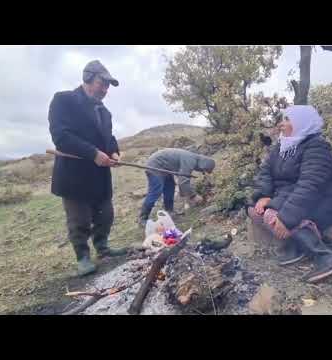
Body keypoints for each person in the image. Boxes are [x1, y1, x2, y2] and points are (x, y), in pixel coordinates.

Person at [248, 105, 332, 283]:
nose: (281, 124)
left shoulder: (315, 146)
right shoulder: (282, 146)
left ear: (302, 123)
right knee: (255, 208)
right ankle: (295, 247)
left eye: (287, 120)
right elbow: (265, 172)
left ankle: (325, 256)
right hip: (291, 196)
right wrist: (264, 195)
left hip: (323, 200)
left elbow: (311, 184)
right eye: (282, 120)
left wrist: (287, 217)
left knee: (274, 213)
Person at [48, 60, 127, 277]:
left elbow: (108, 138)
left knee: (106, 215)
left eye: (107, 86)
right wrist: (93, 153)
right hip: (75, 175)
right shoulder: (63, 100)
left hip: (100, 175)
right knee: (79, 220)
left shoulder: (105, 112)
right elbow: (61, 137)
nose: (105, 89)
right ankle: (82, 257)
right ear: (87, 78)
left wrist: (114, 152)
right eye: (102, 83)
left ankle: (102, 248)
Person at [138, 148, 216, 225]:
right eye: (204, 170)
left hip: (165, 167)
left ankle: (169, 211)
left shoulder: (193, 159)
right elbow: (183, 181)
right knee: (156, 191)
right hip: (155, 165)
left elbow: (182, 178)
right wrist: (193, 196)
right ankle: (143, 218)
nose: (202, 172)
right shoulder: (190, 160)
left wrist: (185, 194)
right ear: (204, 165)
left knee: (170, 187)